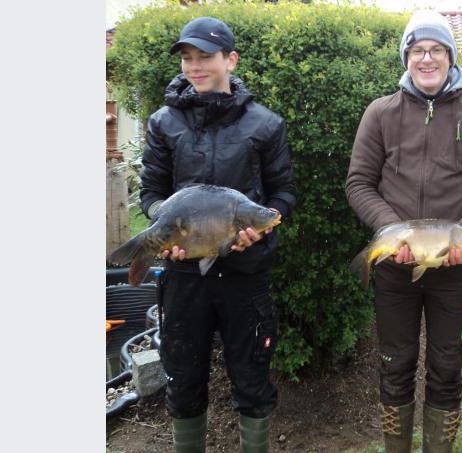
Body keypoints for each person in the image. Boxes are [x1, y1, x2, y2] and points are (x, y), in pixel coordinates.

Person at [345, 11, 462, 453]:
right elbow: (359, 183)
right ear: (406, 57)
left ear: (451, 56)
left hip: (454, 272)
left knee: (447, 368)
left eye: (437, 49)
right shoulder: (380, 113)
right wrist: (390, 229)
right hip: (395, 269)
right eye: (417, 50)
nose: (427, 58)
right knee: (394, 365)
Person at [138, 17, 296, 453]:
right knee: (184, 382)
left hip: (246, 275)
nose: (194, 66)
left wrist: (263, 227)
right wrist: (165, 225)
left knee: (253, 382)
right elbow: (150, 193)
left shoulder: (266, 124)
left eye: (204, 57)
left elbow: (283, 193)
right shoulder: (163, 123)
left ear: (231, 60)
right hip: (183, 277)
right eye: (187, 58)